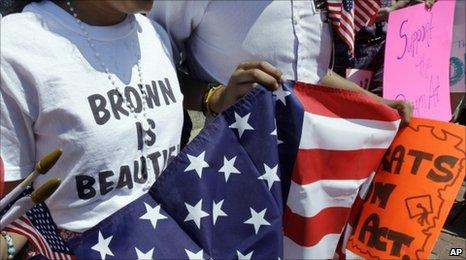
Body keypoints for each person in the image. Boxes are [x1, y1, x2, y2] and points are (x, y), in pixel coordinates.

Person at [0, 0, 280, 258]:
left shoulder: (153, 33)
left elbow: (166, 87)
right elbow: (13, 209)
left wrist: (213, 98)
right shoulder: (15, 48)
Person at [149, 0, 413, 124]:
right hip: (231, 169)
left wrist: (377, 104)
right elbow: (150, 73)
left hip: (309, 166)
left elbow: (312, 73)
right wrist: (214, 98)